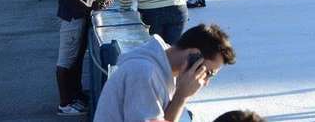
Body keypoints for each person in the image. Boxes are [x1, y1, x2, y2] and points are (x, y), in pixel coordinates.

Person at [94, 23, 236, 122]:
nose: (206, 82)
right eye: (209, 73)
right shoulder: (143, 73)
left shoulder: (162, 69)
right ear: (194, 56)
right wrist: (181, 97)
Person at [55, 0, 98, 116]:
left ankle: (74, 97)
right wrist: (86, 6)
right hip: (73, 17)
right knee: (66, 62)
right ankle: (64, 104)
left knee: (76, 60)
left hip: (82, 17)